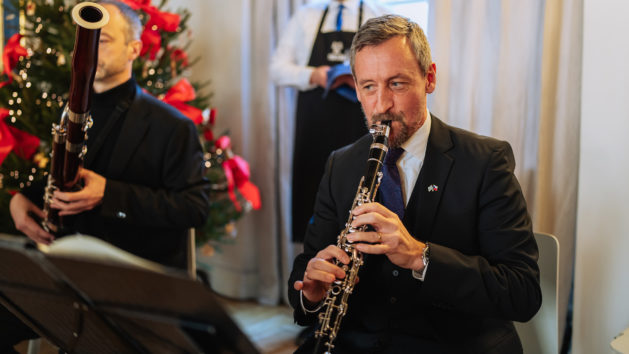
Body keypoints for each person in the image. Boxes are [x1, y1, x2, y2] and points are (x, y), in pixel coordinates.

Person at [288, 15, 542, 353]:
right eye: (368, 86)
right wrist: (311, 293)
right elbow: (306, 268)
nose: (381, 106)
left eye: (396, 84)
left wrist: (420, 256)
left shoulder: (486, 161)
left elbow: (521, 292)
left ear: (429, 78)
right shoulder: (341, 164)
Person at [2, 1, 210, 351]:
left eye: (103, 39)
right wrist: (21, 200)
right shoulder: (69, 109)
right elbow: (64, 177)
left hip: (129, 284)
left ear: (135, 49)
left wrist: (109, 195)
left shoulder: (173, 126)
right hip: (63, 270)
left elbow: (194, 207)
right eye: (86, 39)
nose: (90, 47)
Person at [270, 0, 389, 243]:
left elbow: (388, 65)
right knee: (312, 191)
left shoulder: (378, 14)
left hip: (359, 123)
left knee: (359, 187)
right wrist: (314, 75)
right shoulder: (305, 15)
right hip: (314, 124)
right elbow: (277, 69)